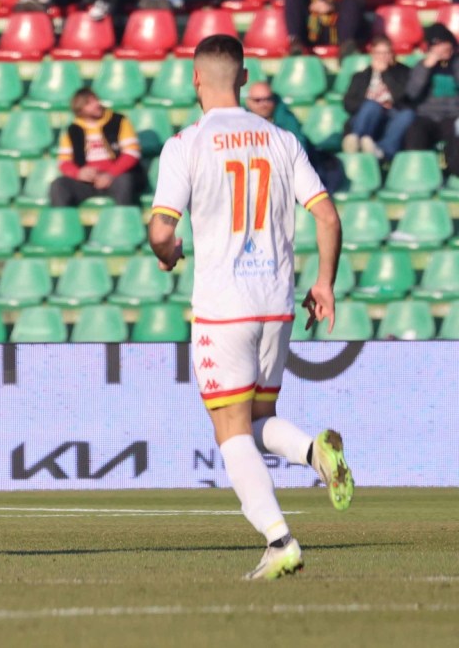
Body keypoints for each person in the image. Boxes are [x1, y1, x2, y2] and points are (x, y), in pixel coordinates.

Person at [147, 34, 354, 581]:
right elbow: (327, 216)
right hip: (276, 304)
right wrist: (325, 283)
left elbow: (161, 229)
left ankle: (278, 539)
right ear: (243, 78)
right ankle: (314, 453)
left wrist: (168, 254)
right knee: (257, 418)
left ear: (196, 79)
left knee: (229, 430)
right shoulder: (282, 140)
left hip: (223, 307)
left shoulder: (186, 144)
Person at [49, 87, 144, 207]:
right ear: (79, 109)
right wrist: (79, 173)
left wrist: (110, 174)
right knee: (59, 185)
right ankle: (63, 222)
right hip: (87, 182)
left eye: (96, 100)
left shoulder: (119, 121)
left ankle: (123, 222)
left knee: (124, 182)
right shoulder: (72, 130)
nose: (97, 104)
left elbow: (132, 153)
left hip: (115, 178)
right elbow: (63, 161)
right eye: (89, 103)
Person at [342, 36, 413, 161]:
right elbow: (348, 103)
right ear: (372, 54)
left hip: (392, 113)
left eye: (386, 53)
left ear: (392, 54)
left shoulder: (404, 72)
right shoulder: (360, 76)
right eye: (379, 53)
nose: (383, 57)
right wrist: (369, 104)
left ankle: (382, 151)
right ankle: (356, 139)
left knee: (407, 114)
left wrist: (385, 74)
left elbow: (404, 98)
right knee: (372, 105)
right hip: (367, 115)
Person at [404, 23, 459, 179]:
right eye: (437, 45)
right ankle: (420, 176)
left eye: (445, 44)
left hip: (453, 115)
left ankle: (453, 174)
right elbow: (411, 93)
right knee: (415, 133)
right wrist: (426, 67)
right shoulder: (421, 66)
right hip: (427, 116)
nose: (442, 49)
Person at [282, 0, 365, 57]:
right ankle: (296, 44)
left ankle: (347, 48)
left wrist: (332, 6)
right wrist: (315, 6)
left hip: (341, 31)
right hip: (311, 32)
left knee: (353, 0)